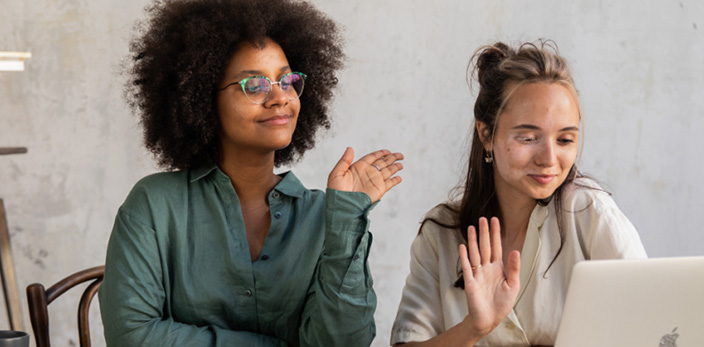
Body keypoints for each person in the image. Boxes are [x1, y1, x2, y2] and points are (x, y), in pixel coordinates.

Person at [98, 0, 404, 346]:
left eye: (287, 80)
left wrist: (347, 221)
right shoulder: (154, 206)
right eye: (254, 85)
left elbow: (343, 342)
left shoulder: (326, 217)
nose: (280, 98)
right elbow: (132, 335)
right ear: (199, 97)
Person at [389, 40, 646, 346]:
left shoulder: (589, 212)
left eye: (565, 140)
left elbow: (654, 327)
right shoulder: (440, 234)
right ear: (486, 134)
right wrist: (473, 328)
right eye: (528, 137)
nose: (549, 158)